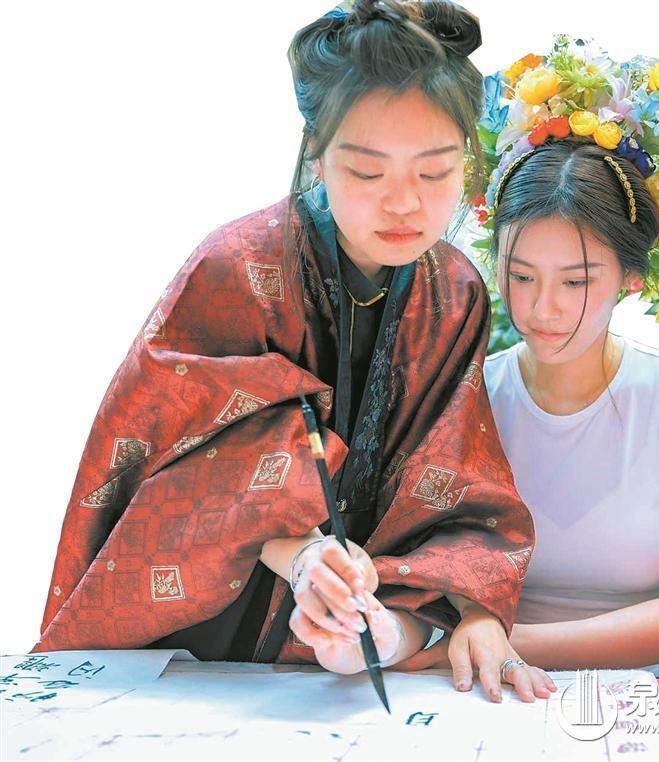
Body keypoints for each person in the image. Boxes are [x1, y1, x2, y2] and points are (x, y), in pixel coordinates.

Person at [33, 0, 544, 703]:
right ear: (316, 154)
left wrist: (473, 609)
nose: (405, 203)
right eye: (367, 172)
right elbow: (154, 459)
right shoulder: (237, 265)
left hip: (351, 630)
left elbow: (455, 473)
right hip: (199, 632)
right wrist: (300, 551)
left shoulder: (455, 291)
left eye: (435, 173)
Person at [401, 37, 659, 682]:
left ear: (629, 277)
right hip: (484, 690)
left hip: (636, 699)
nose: (544, 308)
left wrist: (503, 641)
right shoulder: (467, 394)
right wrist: (472, 624)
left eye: (576, 281)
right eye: (522, 276)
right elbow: (429, 557)